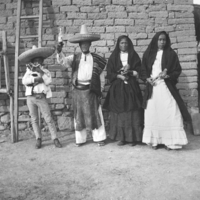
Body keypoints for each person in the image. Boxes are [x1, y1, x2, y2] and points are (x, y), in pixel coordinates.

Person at [140, 31, 193, 150]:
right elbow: (143, 70)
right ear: (155, 40)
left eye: (164, 40)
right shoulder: (148, 54)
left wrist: (167, 75)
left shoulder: (171, 54)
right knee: (153, 112)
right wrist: (147, 79)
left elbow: (177, 70)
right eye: (160, 40)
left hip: (166, 87)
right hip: (153, 87)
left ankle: (171, 142)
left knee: (170, 111)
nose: (162, 42)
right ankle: (154, 141)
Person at [56, 24, 107, 147]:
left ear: (90, 44)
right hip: (78, 91)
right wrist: (59, 51)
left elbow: (101, 77)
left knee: (96, 113)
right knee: (79, 116)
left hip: (92, 90)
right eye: (82, 44)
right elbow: (62, 62)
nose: (84, 45)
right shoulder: (74, 58)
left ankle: (99, 138)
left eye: (86, 43)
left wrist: (100, 90)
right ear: (79, 45)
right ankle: (80, 139)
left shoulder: (96, 59)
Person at [103, 35, 143, 146]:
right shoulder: (114, 57)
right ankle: (121, 137)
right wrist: (119, 76)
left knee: (132, 111)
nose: (124, 45)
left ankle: (133, 138)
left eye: (126, 43)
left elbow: (139, 70)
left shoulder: (133, 56)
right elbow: (109, 73)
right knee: (120, 113)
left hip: (131, 88)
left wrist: (130, 71)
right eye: (121, 43)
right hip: (118, 88)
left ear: (129, 44)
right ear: (118, 44)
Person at [19, 46, 62, 149]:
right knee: (34, 119)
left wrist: (41, 73)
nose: (37, 63)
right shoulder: (28, 71)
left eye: (39, 61)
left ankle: (55, 138)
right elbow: (24, 81)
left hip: (41, 97)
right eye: (35, 61)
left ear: (42, 61)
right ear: (32, 62)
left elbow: (48, 81)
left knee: (48, 118)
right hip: (31, 98)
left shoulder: (45, 71)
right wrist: (35, 80)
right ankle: (38, 138)